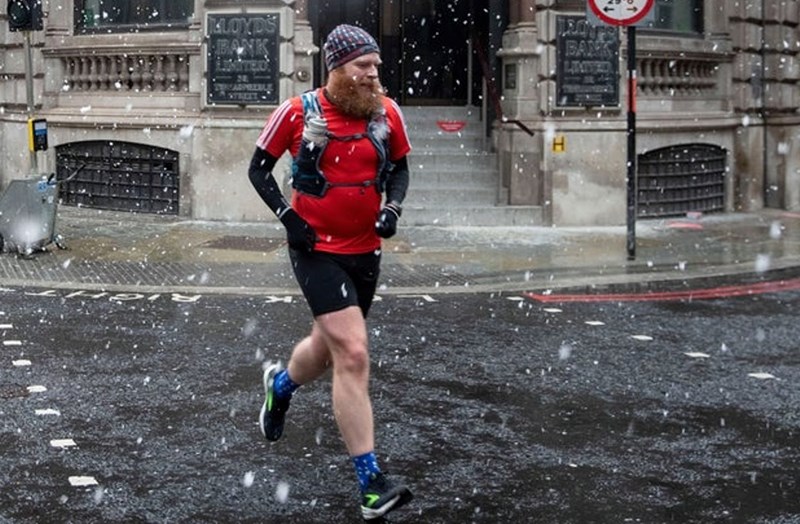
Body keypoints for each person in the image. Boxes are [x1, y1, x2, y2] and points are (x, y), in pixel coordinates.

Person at [247, 24, 413, 521]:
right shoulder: (298, 112)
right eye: (364, 66)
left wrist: (394, 208)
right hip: (315, 249)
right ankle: (371, 485)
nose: (373, 75)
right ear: (338, 68)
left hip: (366, 252)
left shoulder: (387, 112)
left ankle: (280, 387)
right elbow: (258, 168)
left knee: (329, 345)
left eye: (376, 66)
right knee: (355, 352)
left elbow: (401, 168)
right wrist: (289, 218)